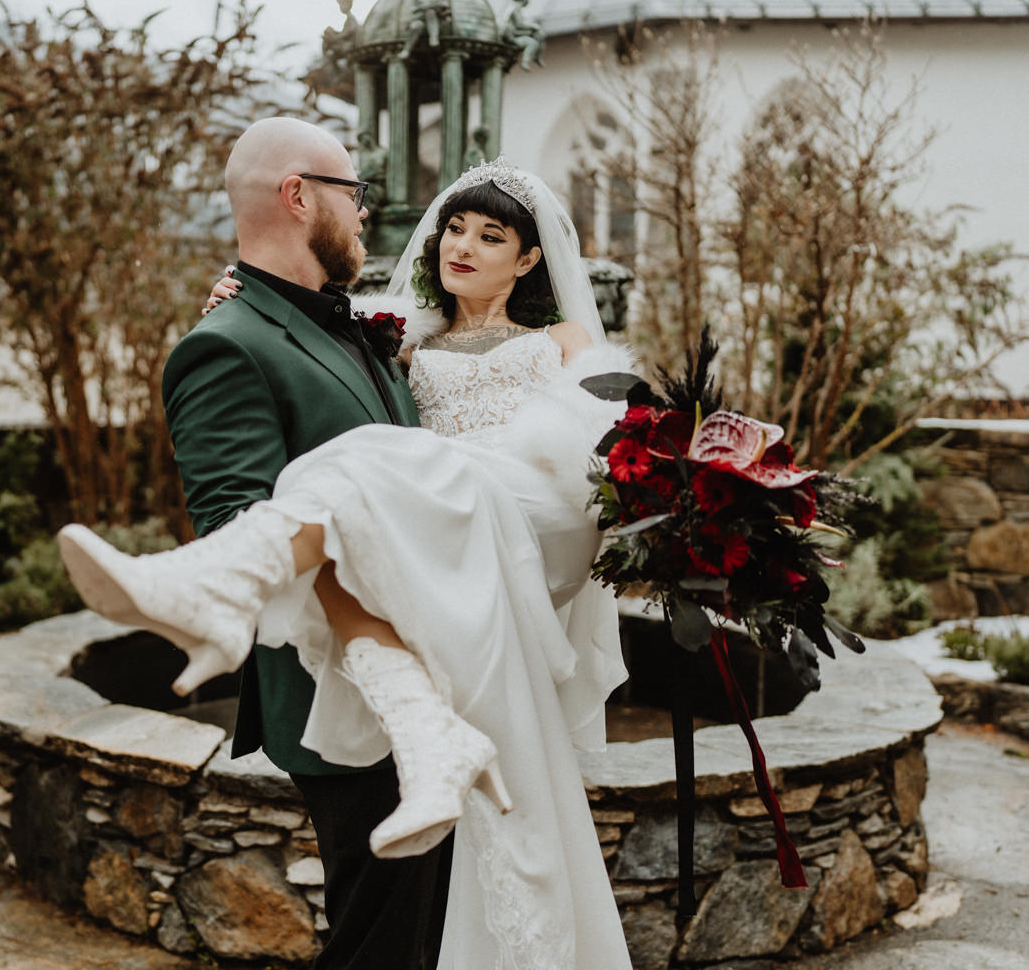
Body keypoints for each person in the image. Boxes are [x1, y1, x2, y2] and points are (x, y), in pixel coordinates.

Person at [60, 140, 635, 968]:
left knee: (364, 464)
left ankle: (212, 593)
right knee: (397, 931)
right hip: (410, 623)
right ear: (299, 196)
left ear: (531, 257)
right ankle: (246, 603)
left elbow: (610, 452)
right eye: (454, 228)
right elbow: (233, 492)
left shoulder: (411, 336)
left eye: (489, 236)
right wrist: (236, 301)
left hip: (520, 523)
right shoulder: (371, 339)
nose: (454, 243)